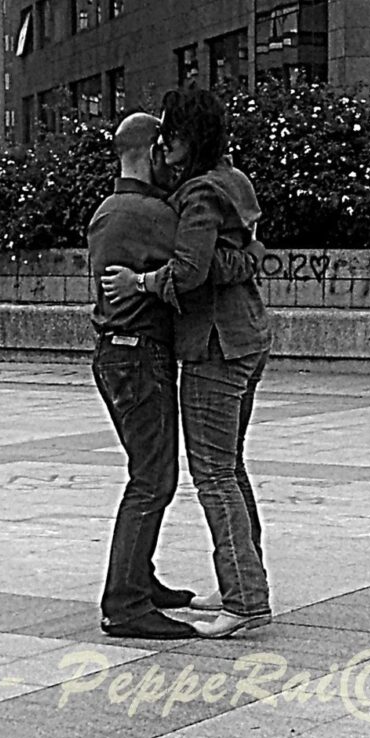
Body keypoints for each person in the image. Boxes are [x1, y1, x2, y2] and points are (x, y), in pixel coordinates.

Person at [100, 85, 273, 632]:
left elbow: (191, 268)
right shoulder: (233, 182)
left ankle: (243, 599)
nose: (167, 148)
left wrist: (144, 281)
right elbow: (245, 252)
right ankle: (243, 586)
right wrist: (248, 258)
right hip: (244, 338)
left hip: (212, 345)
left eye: (173, 134)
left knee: (209, 474)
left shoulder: (193, 196)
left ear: (181, 140)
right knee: (225, 468)